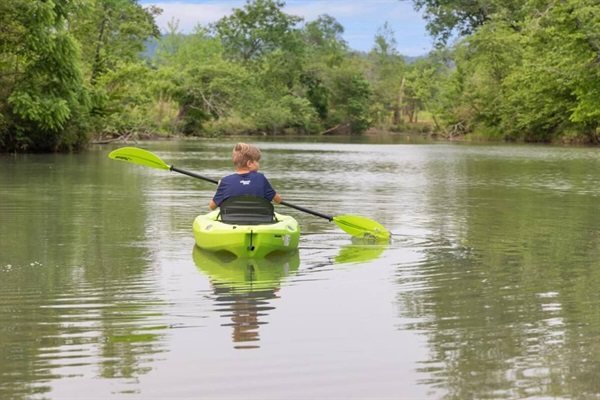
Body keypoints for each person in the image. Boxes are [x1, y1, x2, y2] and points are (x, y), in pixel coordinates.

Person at [209, 143, 282, 210]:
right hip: (258, 220)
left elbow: (212, 206)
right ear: (249, 163)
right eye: (257, 161)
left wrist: (220, 187)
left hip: (232, 221)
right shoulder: (261, 179)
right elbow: (278, 200)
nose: (258, 164)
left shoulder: (225, 181)